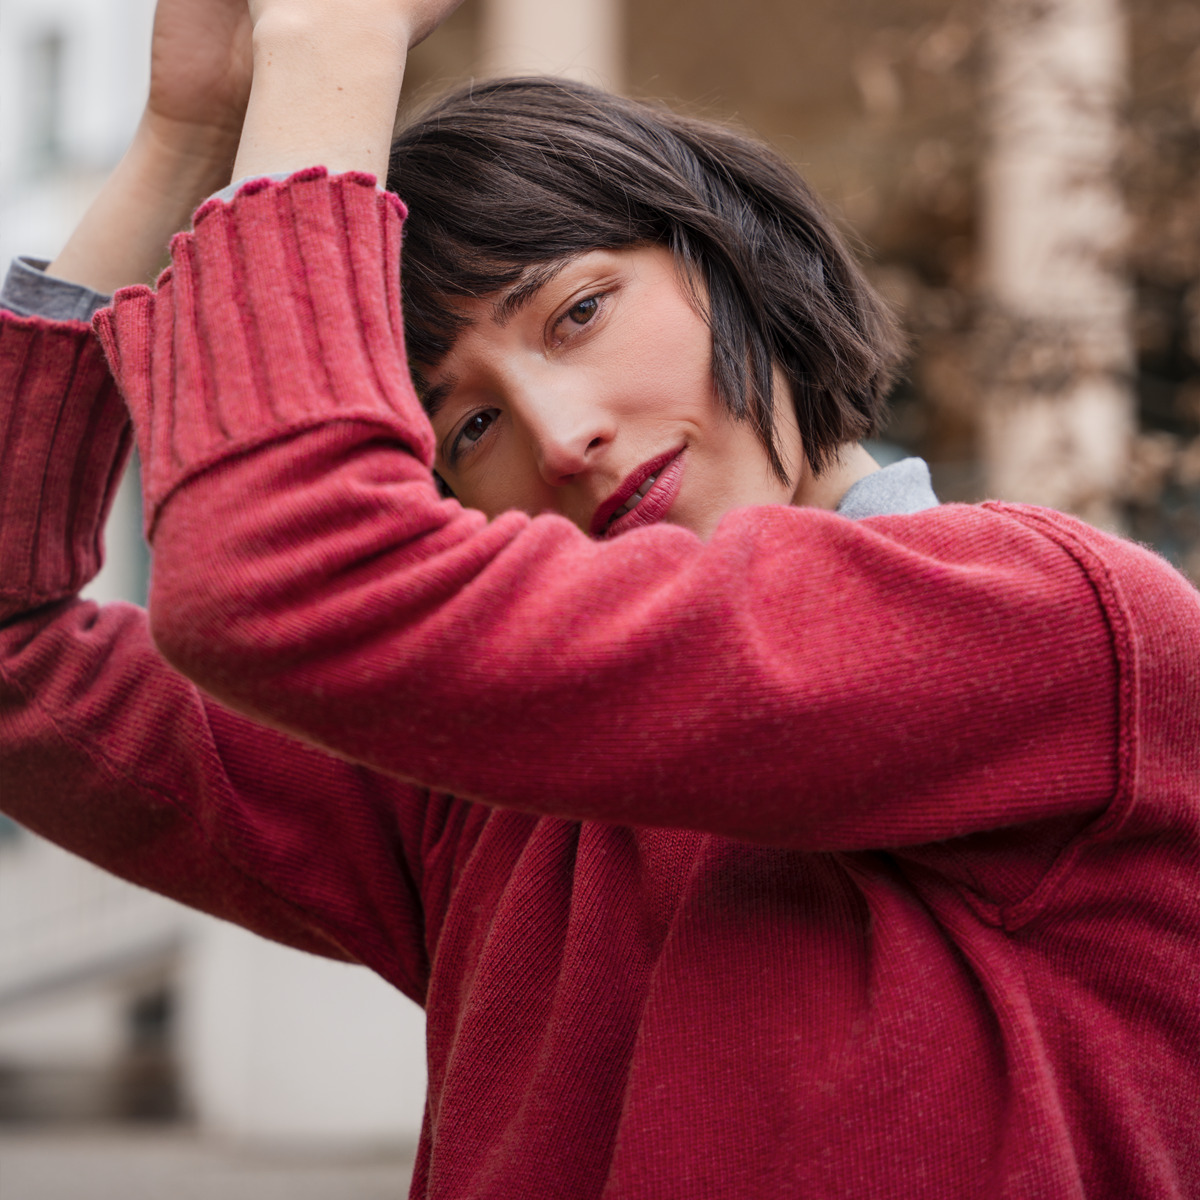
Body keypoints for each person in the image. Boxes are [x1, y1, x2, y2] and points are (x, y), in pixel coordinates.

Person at [1, 0, 1198, 1196]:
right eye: (469, 427)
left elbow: (281, 579)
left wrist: (336, 43)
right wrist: (185, 134)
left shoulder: (1050, 629)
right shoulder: (478, 792)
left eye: (579, 312)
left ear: (731, 253)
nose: (562, 436)